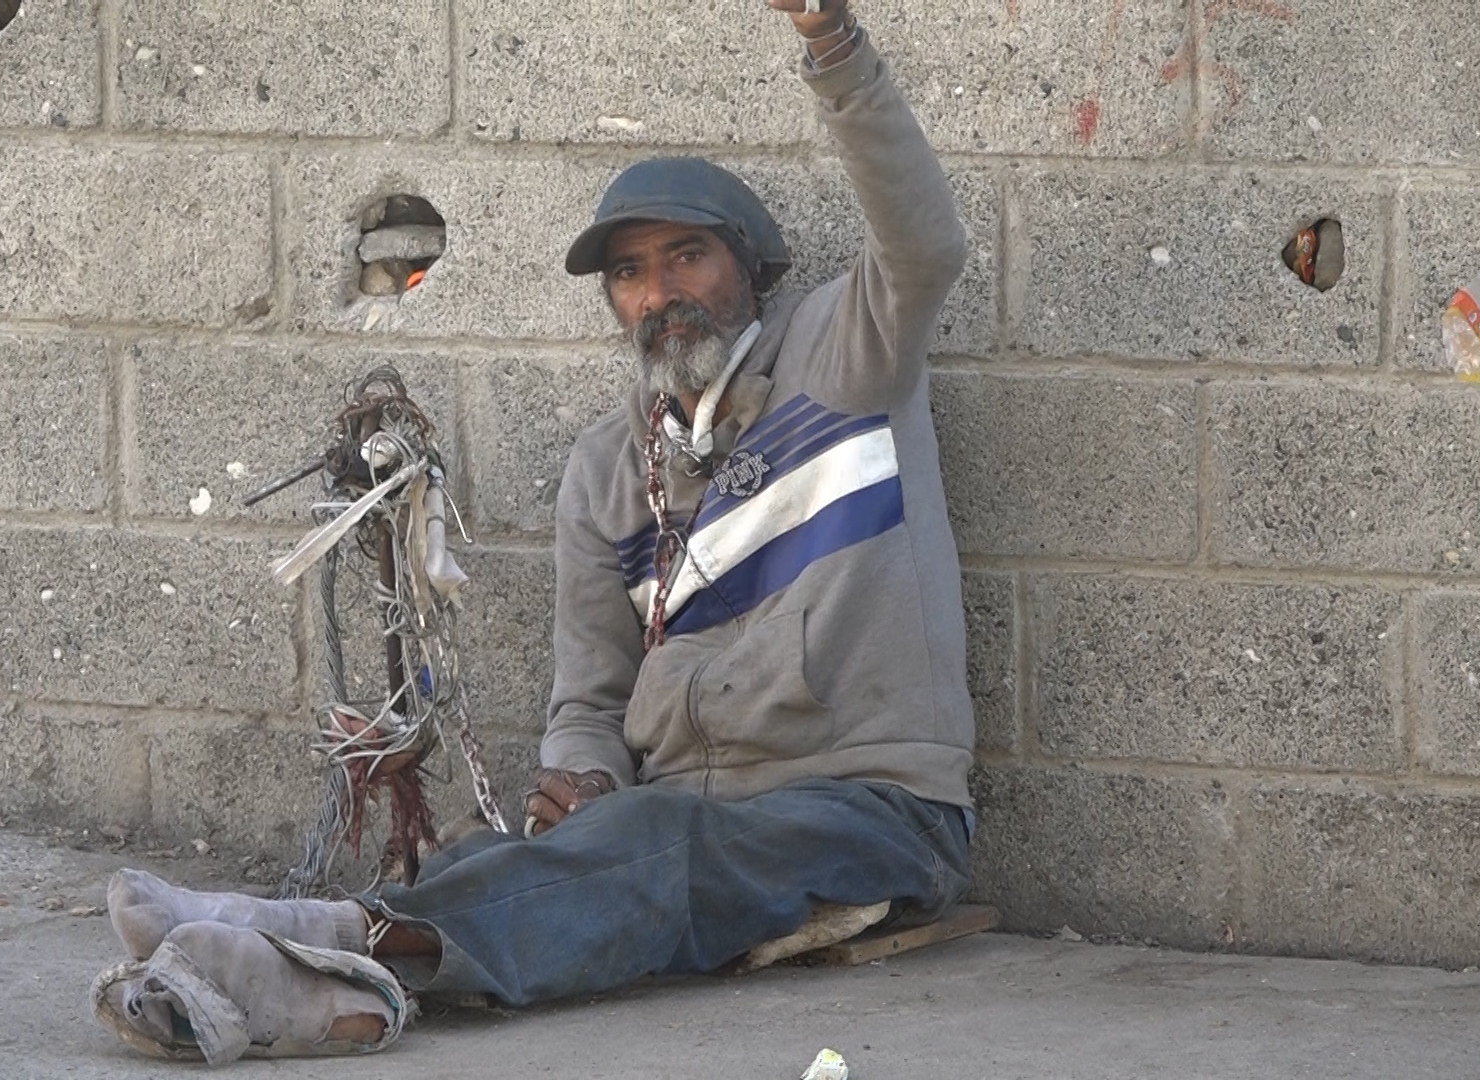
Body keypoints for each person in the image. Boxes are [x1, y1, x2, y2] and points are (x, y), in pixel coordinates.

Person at [91, 0, 976, 1064]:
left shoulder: (847, 360)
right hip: (668, 818)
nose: (660, 294)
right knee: (561, 842)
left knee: (661, 842)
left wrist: (833, 46)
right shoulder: (610, 468)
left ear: (749, 268)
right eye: (631, 275)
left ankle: (326, 957)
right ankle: (309, 964)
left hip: (873, 813)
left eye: (687, 259)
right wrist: (585, 778)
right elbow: (589, 700)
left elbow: (923, 244)